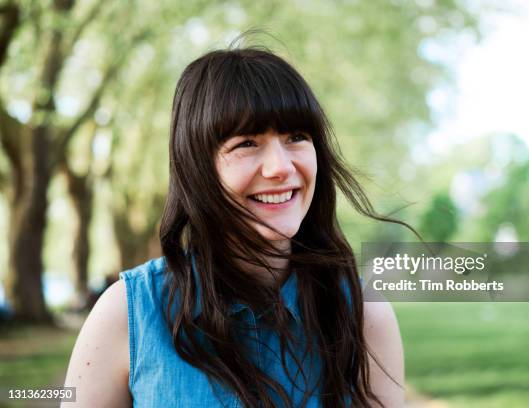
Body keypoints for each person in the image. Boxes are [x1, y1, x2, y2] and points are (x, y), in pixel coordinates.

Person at [63, 46, 405, 407]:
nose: (280, 167)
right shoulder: (127, 314)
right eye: (246, 143)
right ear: (198, 168)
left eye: (296, 137)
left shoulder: (364, 313)